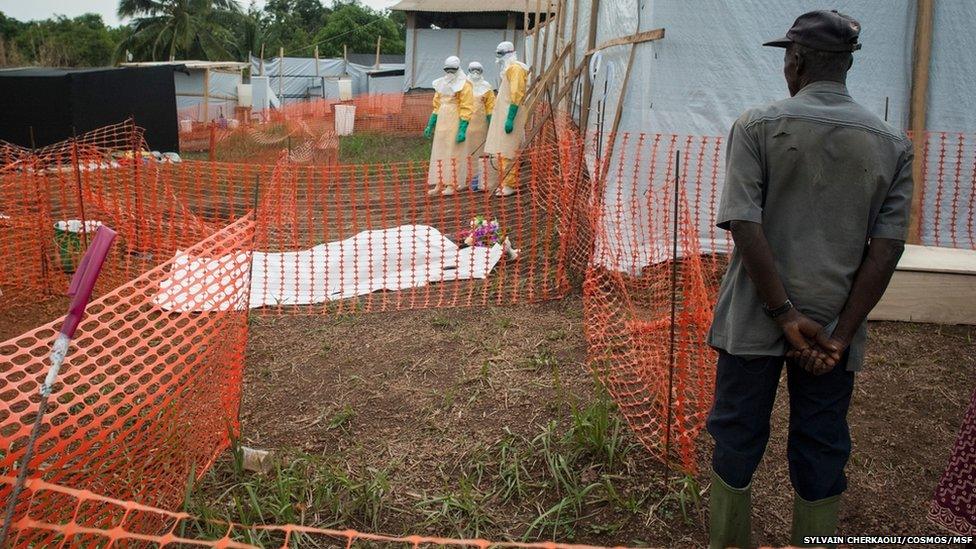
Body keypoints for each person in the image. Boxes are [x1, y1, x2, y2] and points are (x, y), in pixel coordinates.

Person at [706, 10, 913, 548]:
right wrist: (839, 335)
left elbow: (745, 226)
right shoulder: (891, 142)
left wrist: (782, 314)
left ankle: (729, 543)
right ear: (846, 65)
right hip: (830, 329)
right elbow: (887, 248)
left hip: (756, 317)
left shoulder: (757, 125)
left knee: (736, 434)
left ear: (794, 61)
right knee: (822, 443)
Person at [424, 56, 474, 196]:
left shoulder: (465, 84)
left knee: (453, 152)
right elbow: (436, 105)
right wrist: (430, 124)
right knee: (439, 151)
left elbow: (467, 107)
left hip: (455, 121)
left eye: (452, 69)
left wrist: (463, 128)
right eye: (447, 70)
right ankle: (439, 183)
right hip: (442, 122)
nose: (450, 72)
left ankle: (452, 183)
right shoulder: (441, 84)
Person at [484, 41, 529, 197]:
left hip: (512, 114)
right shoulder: (509, 69)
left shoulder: (516, 69)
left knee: (508, 150)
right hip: (505, 114)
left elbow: (517, 94)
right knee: (503, 150)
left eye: (500, 55)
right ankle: (505, 182)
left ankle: (509, 184)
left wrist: (510, 118)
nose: (498, 58)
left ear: (508, 54)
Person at [465, 61, 496, 191]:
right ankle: (462, 179)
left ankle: (478, 179)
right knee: (465, 151)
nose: (475, 72)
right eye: (472, 69)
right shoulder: (463, 86)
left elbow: (490, 107)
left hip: (481, 126)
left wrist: (491, 123)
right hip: (465, 125)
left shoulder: (487, 87)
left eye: (478, 70)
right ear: (468, 70)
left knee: (480, 152)